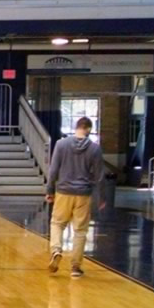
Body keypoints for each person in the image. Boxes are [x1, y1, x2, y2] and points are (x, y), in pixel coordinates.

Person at [45, 116, 105, 278]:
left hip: (63, 192)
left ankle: (56, 250)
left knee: (57, 223)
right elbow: (100, 176)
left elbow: (53, 171)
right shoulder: (95, 149)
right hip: (83, 194)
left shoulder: (61, 144)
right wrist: (101, 198)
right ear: (89, 129)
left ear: (76, 127)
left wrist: (49, 190)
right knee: (80, 231)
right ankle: (75, 268)